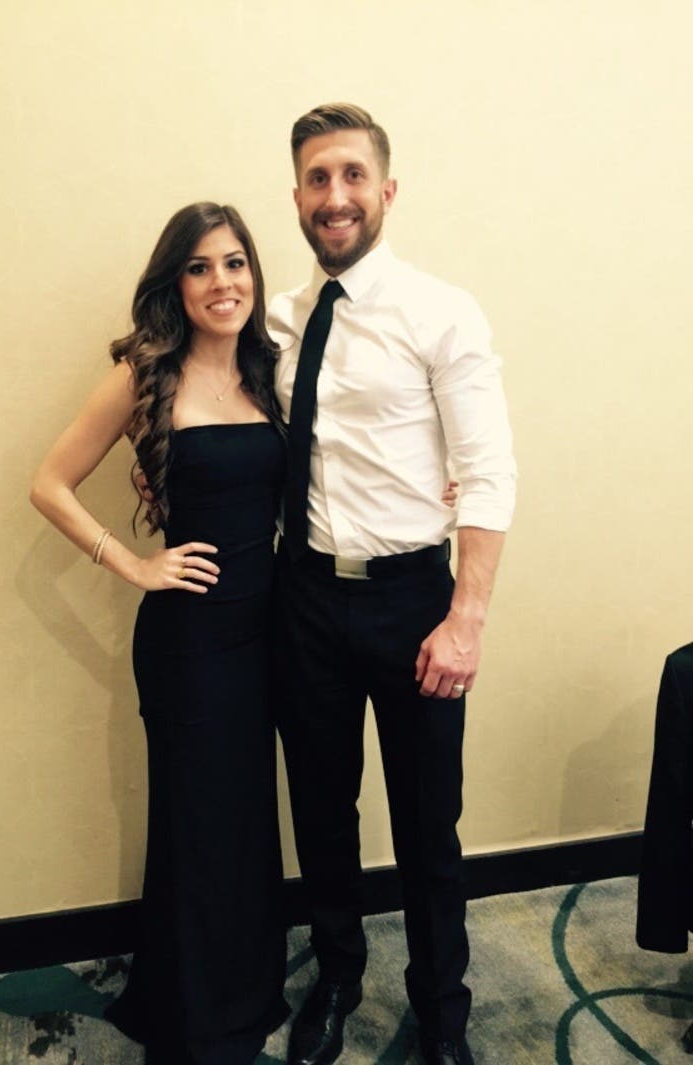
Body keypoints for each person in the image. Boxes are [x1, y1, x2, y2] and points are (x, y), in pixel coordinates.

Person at [268, 104, 517, 1065]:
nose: (335, 196)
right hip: (304, 595)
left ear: (386, 190)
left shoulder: (441, 311)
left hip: (414, 601)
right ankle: (337, 978)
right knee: (321, 811)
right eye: (317, 178)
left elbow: (487, 471)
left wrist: (467, 618)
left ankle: (442, 1010)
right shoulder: (279, 320)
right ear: (297, 195)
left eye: (352, 175)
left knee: (426, 824)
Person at [29, 202, 290, 1065]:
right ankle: (196, 1016)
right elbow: (49, 483)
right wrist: (134, 564)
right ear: (174, 285)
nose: (222, 282)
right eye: (199, 267)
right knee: (198, 822)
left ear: (254, 274)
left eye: (235, 263)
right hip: (190, 642)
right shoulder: (145, 376)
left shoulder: (271, 369)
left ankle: (246, 986)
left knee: (247, 816)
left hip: (269, 631)